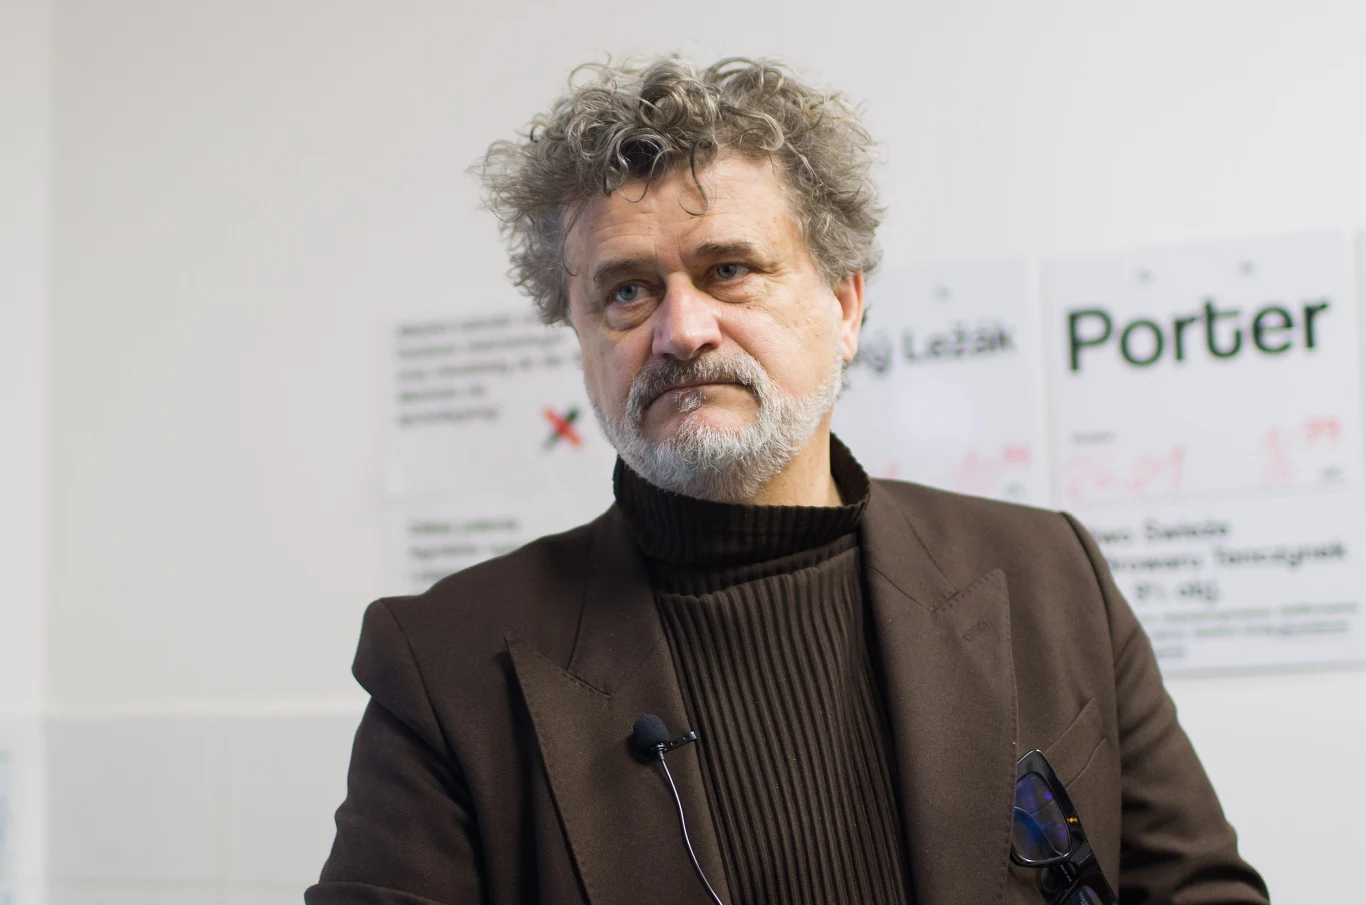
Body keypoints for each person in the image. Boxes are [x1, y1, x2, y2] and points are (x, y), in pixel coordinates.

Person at [306, 57, 1269, 905]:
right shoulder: (448, 661)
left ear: (845, 305)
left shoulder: (1048, 573)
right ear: (584, 334)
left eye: (729, 269)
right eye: (627, 290)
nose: (681, 331)